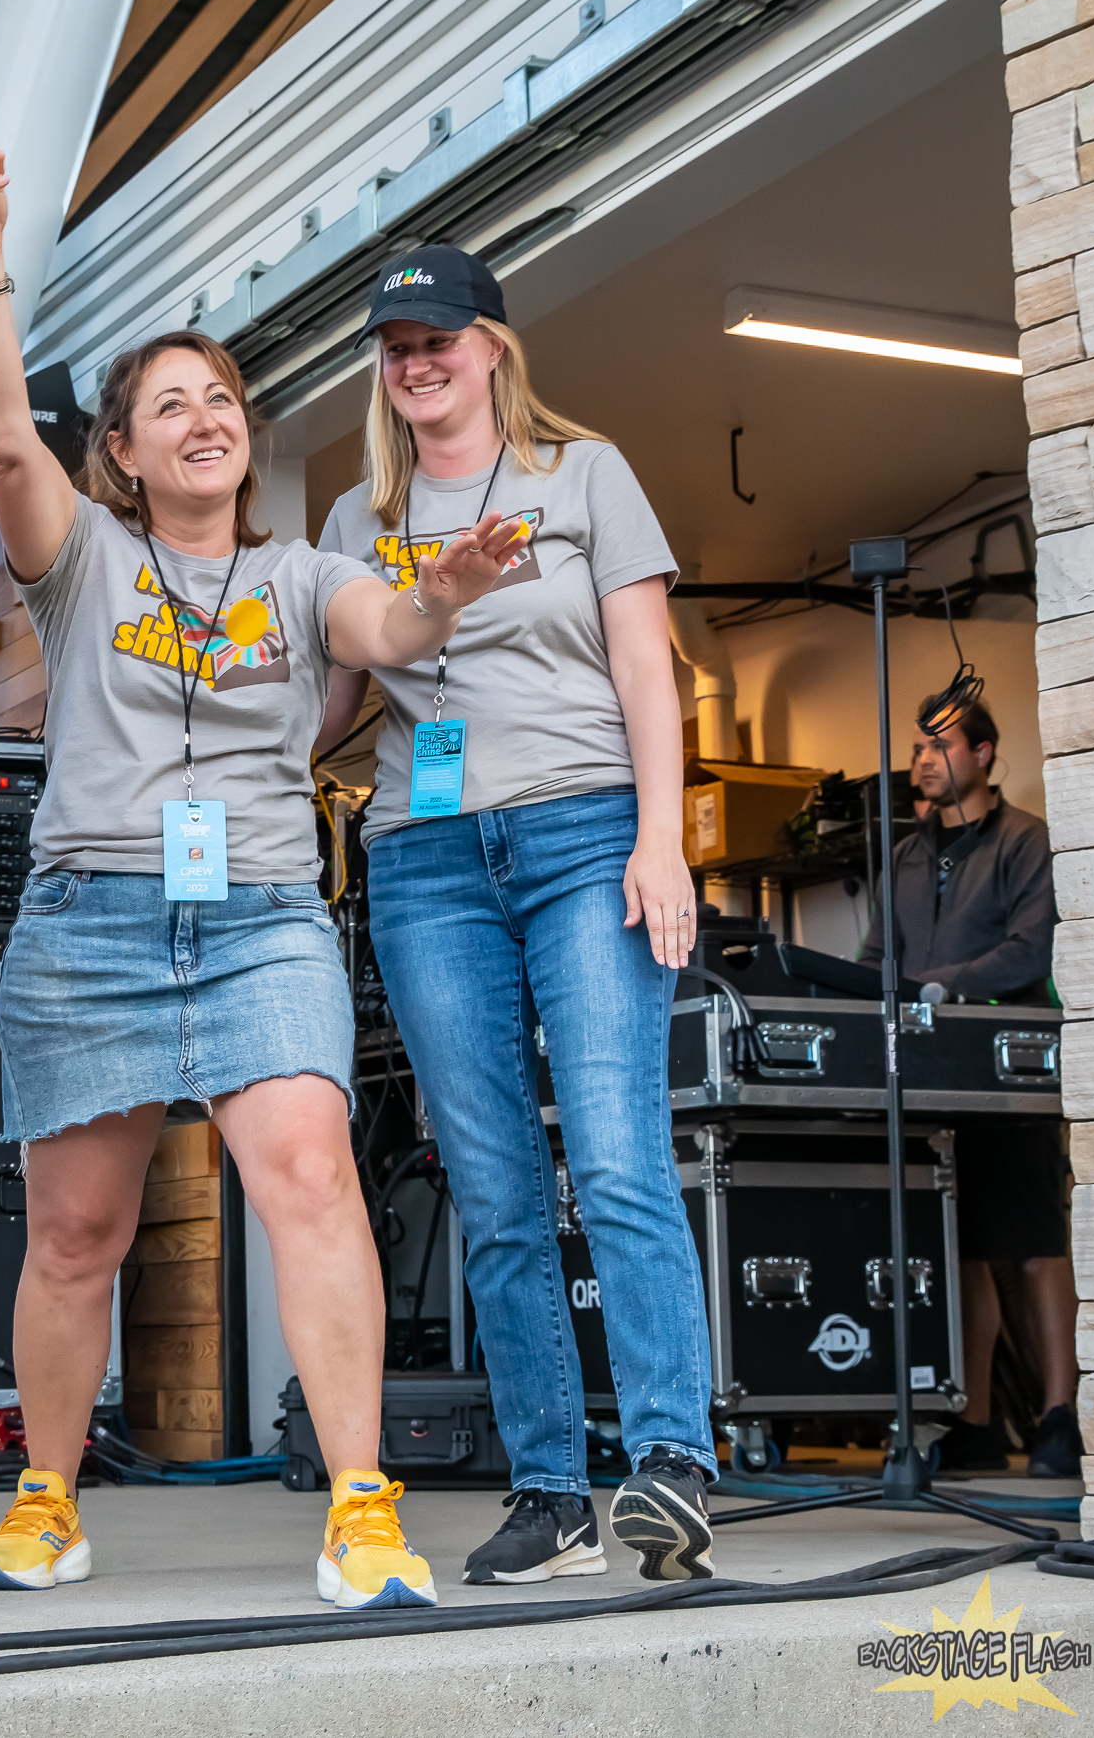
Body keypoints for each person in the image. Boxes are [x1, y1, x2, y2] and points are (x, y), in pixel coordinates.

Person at [0, 123, 526, 1609]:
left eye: (224, 398)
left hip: (260, 917)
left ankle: (363, 1506)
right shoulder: (82, 564)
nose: (206, 418)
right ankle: (48, 1502)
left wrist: (436, 597)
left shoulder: (304, 575)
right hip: (91, 917)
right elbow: (4, 436)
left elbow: (384, 637)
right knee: (78, 1230)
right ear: (121, 452)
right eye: (169, 404)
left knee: (312, 1178)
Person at [315, 245, 718, 1587]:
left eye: (438, 335)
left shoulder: (582, 475)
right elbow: (324, 717)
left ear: (492, 344)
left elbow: (647, 672)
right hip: (424, 859)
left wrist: (660, 839)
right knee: (489, 1186)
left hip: (582, 828)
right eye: (395, 344)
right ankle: (552, 1490)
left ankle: (669, 1461)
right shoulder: (351, 522)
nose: (417, 360)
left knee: (613, 1154)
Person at [861, 700, 1075, 1477]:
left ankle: (1060, 1416)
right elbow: (877, 957)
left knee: (1034, 1245)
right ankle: (976, 1421)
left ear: (984, 752)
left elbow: (1032, 949)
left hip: (1007, 1066)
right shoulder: (907, 856)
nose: (923, 759)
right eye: (918, 747)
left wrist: (941, 985)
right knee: (965, 1250)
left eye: (939, 745)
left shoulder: (1026, 841)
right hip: (928, 1069)